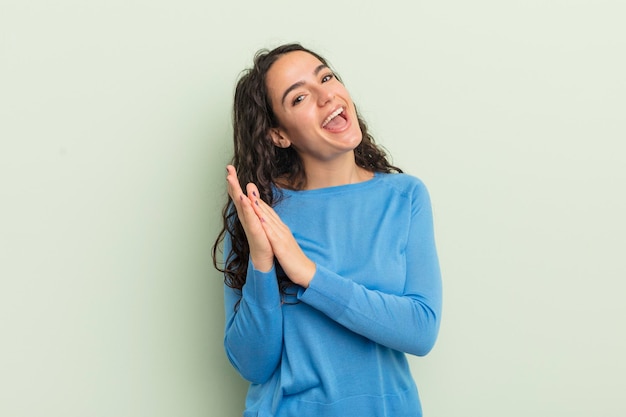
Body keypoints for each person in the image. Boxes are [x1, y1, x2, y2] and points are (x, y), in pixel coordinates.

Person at [212, 43, 442, 417]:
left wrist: (308, 275)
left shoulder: (405, 196)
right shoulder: (259, 214)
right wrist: (261, 260)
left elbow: (420, 330)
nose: (326, 96)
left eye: (326, 77)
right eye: (300, 97)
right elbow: (253, 364)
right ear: (278, 135)